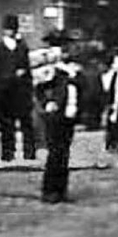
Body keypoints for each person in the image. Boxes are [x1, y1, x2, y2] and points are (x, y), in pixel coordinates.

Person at [0, 14, 36, 162]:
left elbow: (28, 70)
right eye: (8, 28)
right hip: (4, 93)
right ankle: (8, 154)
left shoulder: (22, 48)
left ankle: (29, 153)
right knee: (6, 126)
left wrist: (27, 84)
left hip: (21, 92)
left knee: (27, 124)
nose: (10, 31)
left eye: (13, 28)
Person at [35, 40, 80, 204]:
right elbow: (40, 89)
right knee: (55, 153)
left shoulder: (73, 71)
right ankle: (50, 191)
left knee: (64, 154)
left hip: (69, 116)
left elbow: (79, 88)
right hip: (56, 116)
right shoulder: (51, 71)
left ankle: (61, 190)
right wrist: (47, 103)